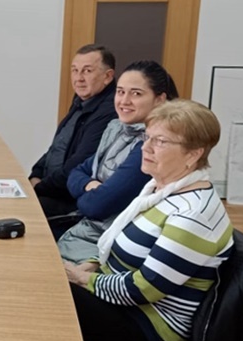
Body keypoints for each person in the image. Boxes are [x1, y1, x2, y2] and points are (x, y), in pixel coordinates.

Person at [63, 100, 234, 341]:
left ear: (193, 154)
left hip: (149, 326)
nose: (146, 148)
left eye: (161, 141)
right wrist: (91, 265)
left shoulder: (192, 215)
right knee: (43, 283)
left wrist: (81, 279)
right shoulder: (160, 190)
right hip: (125, 304)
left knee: (45, 297)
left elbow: (142, 289)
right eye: (147, 137)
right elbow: (124, 248)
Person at [55, 60, 178, 255]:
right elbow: (77, 172)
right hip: (84, 227)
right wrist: (89, 186)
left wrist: (87, 191)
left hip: (108, 241)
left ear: (159, 99)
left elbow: (97, 206)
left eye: (136, 94)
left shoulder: (150, 145)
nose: (124, 101)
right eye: (120, 92)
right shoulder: (116, 128)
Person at [30, 43, 118, 222]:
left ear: (108, 76)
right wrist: (36, 174)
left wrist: (39, 187)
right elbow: (58, 145)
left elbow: (78, 163)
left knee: (17, 210)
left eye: (87, 71)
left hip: (71, 199)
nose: (79, 78)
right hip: (51, 188)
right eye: (75, 70)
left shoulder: (109, 111)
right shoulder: (82, 99)